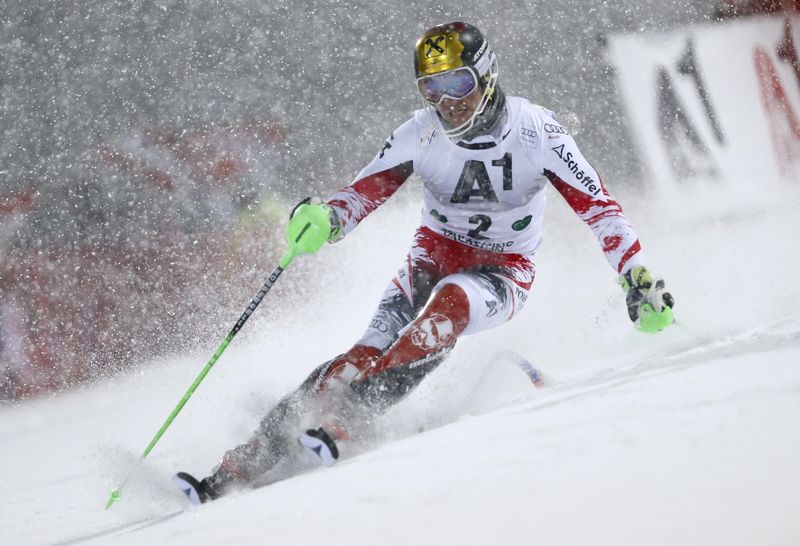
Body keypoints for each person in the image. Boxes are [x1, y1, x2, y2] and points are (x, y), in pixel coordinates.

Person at [174, 21, 674, 504]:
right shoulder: (419, 132)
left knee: (449, 308)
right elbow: (362, 192)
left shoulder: (536, 130)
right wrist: (324, 219)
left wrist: (637, 277)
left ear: (487, 74)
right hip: (429, 259)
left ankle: (350, 419)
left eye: (458, 82)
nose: (447, 102)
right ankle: (244, 461)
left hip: (503, 273)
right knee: (360, 355)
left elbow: (599, 208)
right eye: (430, 88)